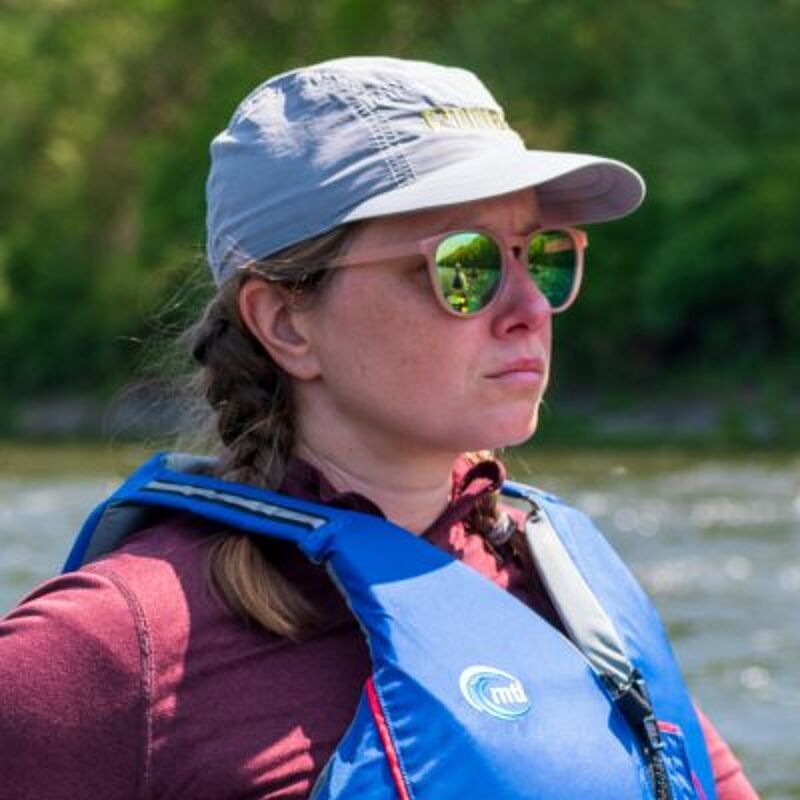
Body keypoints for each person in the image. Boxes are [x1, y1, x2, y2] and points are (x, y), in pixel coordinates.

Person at [0, 57, 758, 799]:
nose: (530, 307)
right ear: (286, 323)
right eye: (467, 266)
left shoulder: (580, 597)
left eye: (542, 257)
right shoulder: (104, 654)